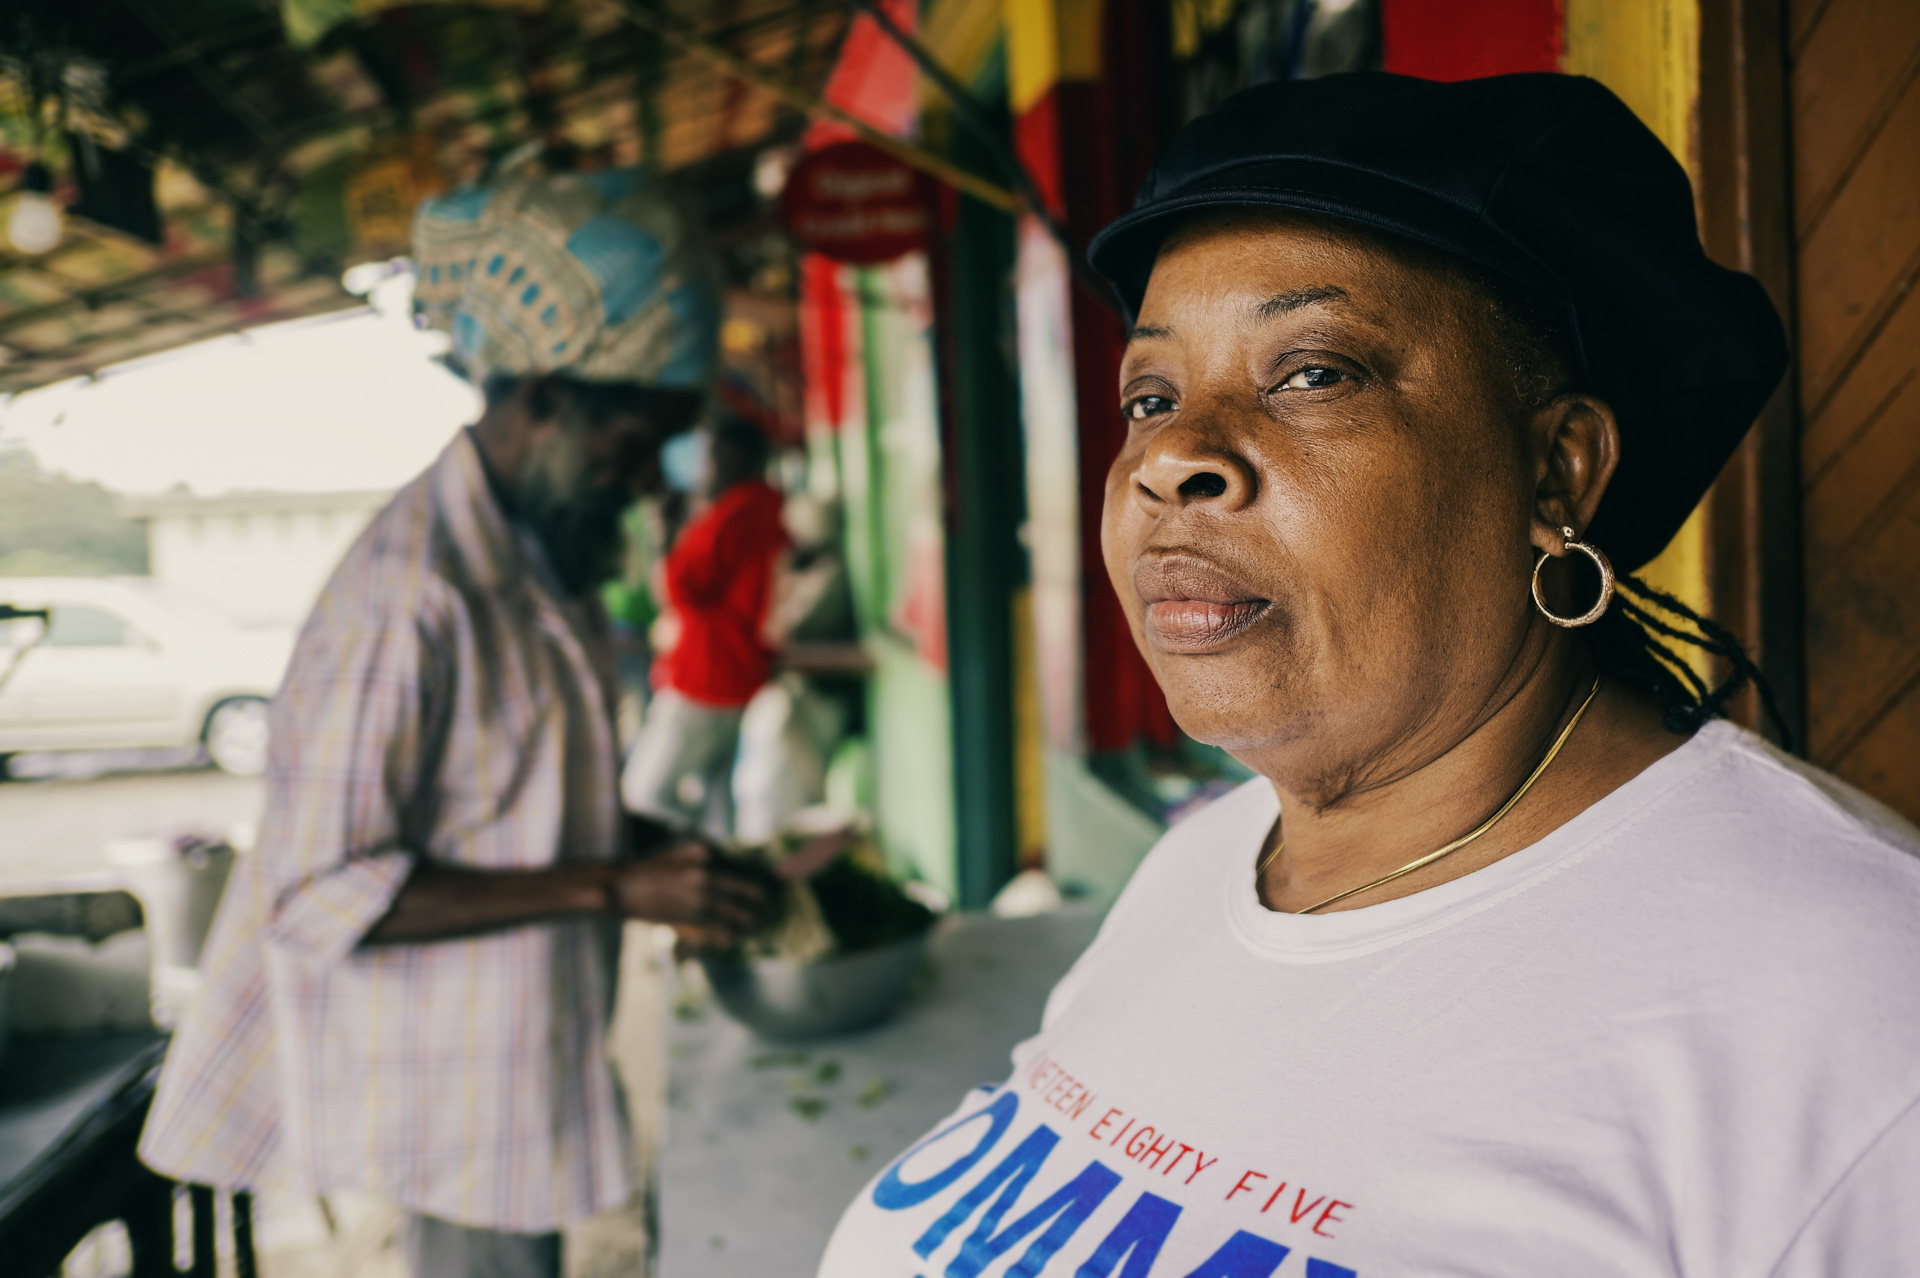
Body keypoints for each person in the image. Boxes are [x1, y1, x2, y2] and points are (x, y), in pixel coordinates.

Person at [818, 73, 1920, 1276]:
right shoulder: (1202, 864)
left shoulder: (1858, 1005)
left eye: (1314, 373)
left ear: (1557, 472)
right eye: (1150, 392)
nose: (1173, 458)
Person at [139, 167, 766, 1278]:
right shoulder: (405, 599)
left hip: (529, 1056)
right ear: (542, 401)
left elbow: (516, 802)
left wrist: (650, 854)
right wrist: (618, 887)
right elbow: (316, 891)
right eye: (631, 451)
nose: (640, 487)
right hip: (453, 1092)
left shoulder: (537, 552)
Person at [621, 415, 787, 837]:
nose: (706, 466)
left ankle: (703, 862)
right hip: (741, 671)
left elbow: (678, 589)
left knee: (644, 795)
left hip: (705, 674)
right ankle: (720, 863)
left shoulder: (735, 512)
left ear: (732, 457)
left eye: (712, 455)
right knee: (719, 805)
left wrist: (666, 533)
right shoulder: (769, 505)